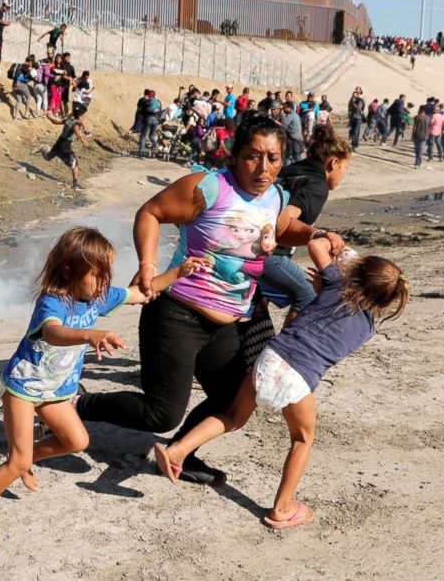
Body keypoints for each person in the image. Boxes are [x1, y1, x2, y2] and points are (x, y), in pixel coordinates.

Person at [76, 116, 346, 486]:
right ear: (234, 155)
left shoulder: (275, 197)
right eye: (253, 156)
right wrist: (148, 265)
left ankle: (181, 453)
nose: (263, 168)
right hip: (176, 313)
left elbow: (282, 229)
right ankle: (75, 406)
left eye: (273, 158)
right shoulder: (209, 187)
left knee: (233, 400)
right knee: (160, 414)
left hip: (230, 321)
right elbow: (151, 213)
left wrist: (316, 232)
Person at [0, 226, 211, 545]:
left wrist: (180, 272)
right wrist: (90, 335)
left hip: (55, 390)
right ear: (68, 271)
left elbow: (142, 293)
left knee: (76, 441)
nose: (104, 284)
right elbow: (52, 333)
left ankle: (26, 459)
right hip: (24, 387)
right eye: (97, 276)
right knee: (17, 460)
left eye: (107, 276)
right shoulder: (54, 302)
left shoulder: (98, 298)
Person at [154, 240, 408, 530]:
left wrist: (342, 251)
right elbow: (332, 326)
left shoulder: (335, 283)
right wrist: (334, 282)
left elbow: (315, 245)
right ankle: (283, 508)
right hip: (299, 376)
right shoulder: (366, 327)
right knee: (302, 440)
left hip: (270, 357)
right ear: (388, 302)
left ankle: (177, 451)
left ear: (357, 271)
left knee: (233, 417)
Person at [261, 124, 352, 322]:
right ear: (333, 163)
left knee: (258, 305)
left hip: (245, 243)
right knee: (308, 295)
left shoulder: (291, 170)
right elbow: (284, 217)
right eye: (345, 169)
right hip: (268, 253)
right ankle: (287, 350)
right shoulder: (317, 186)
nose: (343, 175)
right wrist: (318, 234)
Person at [40, 102, 91, 192]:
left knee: (48, 158)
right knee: (75, 164)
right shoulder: (77, 123)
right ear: (80, 115)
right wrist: (83, 139)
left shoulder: (68, 119)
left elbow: (56, 121)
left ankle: (43, 150)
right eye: (83, 116)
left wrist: (50, 118)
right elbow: (76, 130)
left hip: (59, 143)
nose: (84, 118)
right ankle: (75, 184)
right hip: (65, 147)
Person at [138, 90, 162, 158]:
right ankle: (156, 144)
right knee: (151, 135)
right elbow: (160, 111)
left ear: (149, 95)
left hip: (148, 119)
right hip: (156, 120)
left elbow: (142, 110)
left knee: (143, 136)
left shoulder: (147, 101)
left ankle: (141, 154)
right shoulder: (158, 102)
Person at [280, 101, 304, 166]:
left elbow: (284, 125)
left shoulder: (291, 115)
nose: (283, 110)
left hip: (294, 138)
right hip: (296, 138)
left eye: (284, 108)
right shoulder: (295, 115)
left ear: (289, 108)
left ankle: (302, 168)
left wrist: (278, 120)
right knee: (290, 155)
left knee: (295, 156)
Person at [411, 105, 429, 169]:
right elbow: (429, 128)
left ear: (421, 109)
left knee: (417, 150)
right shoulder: (428, 118)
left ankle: (417, 163)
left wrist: (412, 136)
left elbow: (414, 127)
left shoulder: (417, 117)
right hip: (424, 136)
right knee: (420, 150)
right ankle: (418, 163)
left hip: (417, 135)